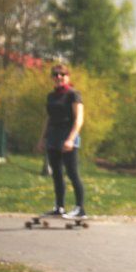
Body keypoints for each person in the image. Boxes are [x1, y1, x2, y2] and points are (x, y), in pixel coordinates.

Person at [36, 64, 86, 220]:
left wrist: (70, 139)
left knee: (72, 173)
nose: (58, 77)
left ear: (67, 77)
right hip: (53, 137)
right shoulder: (51, 96)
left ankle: (80, 208)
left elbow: (79, 119)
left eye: (62, 74)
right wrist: (42, 139)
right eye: (55, 74)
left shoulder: (73, 94)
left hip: (68, 136)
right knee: (56, 174)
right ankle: (59, 207)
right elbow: (49, 118)